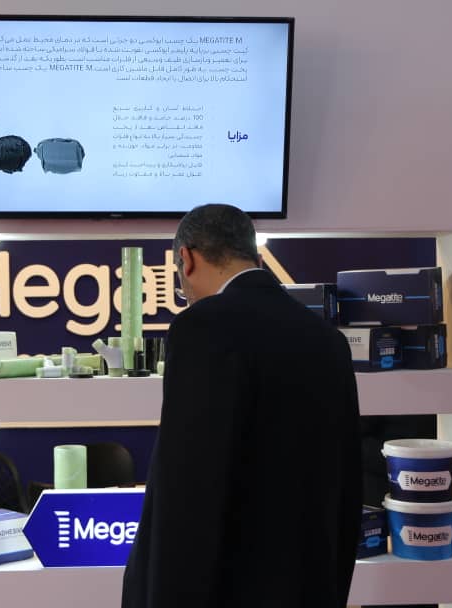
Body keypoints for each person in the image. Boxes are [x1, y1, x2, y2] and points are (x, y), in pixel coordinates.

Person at [122, 204, 362, 608]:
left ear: (187, 259)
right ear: (254, 255)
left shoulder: (202, 328)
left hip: (228, 588)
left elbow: (187, 488)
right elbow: (346, 484)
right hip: (309, 585)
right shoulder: (327, 339)